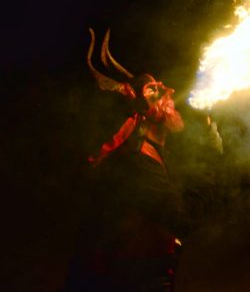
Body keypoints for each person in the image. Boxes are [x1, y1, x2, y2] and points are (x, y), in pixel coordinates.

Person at [65, 30, 185, 291]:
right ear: (141, 111)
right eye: (153, 90)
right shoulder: (138, 162)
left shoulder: (155, 153)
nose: (169, 90)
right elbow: (182, 217)